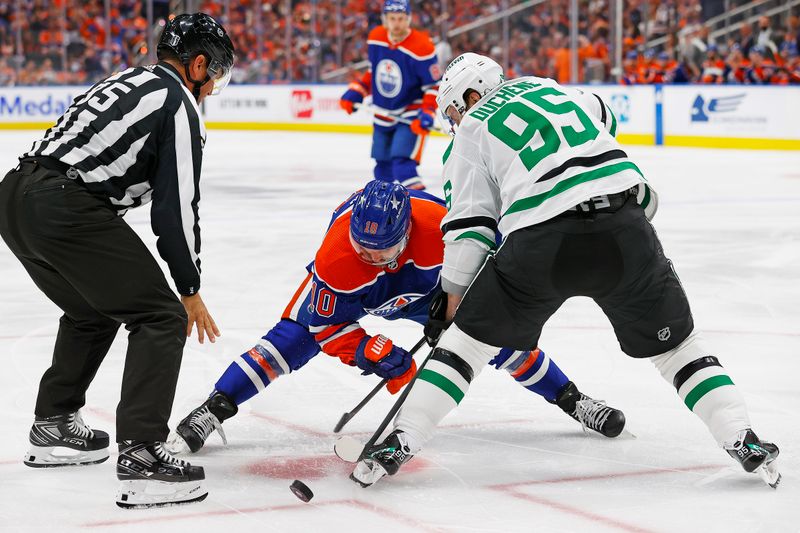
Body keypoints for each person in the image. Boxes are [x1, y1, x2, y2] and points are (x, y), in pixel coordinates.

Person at [352, 53, 781, 489]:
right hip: (625, 224)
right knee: (678, 349)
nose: (453, 121)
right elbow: (605, 114)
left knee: (466, 346)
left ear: (473, 94)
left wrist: (449, 302)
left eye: (454, 110)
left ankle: (401, 440)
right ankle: (741, 436)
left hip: (543, 242)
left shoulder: (471, 131)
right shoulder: (548, 85)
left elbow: (469, 228)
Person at [167, 180, 625, 455]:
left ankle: (573, 400)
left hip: (426, 287)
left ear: (406, 231)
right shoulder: (338, 260)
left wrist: (453, 307)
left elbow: (489, 270)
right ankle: (213, 410)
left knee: (500, 340)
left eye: (383, 247)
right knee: (287, 342)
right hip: (354, 297)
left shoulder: (442, 229)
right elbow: (328, 328)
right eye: (364, 247)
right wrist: (373, 351)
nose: (373, 256)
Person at [0, 13, 234, 508]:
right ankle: (143, 455)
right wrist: (188, 291)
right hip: (66, 206)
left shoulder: (127, 78)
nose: (213, 87)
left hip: (15, 197)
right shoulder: (180, 105)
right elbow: (176, 210)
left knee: (91, 309)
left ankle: (54, 423)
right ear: (196, 65)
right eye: (214, 73)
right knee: (160, 316)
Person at [339, 0, 440, 190]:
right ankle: (386, 213)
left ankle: (421, 210)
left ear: (408, 19)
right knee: (382, 169)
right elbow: (374, 72)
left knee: (403, 167)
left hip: (410, 114)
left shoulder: (422, 46)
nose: (397, 23)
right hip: (382, 112)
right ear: (385, 19)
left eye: (401, 18)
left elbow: (434, 86)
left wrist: (427, 112)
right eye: (392, 18)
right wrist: (357, 90)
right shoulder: (376, 37)